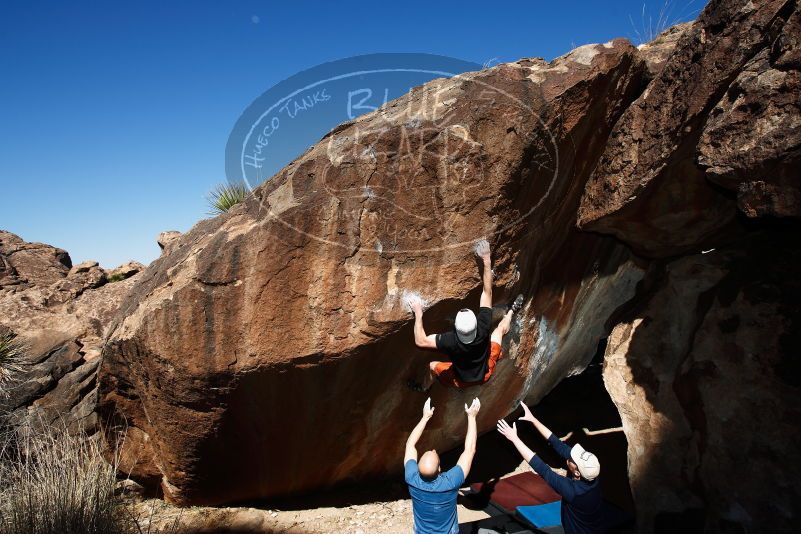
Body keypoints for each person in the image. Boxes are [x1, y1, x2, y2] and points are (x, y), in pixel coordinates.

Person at [409, 239, 522, 390]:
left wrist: (418, 313)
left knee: (431, 366)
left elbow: (421, 341)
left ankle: (423, 388)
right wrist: (487, 261)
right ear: (475, 323)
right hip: (485, 372)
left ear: (456, 327)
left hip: (460, 380)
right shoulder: (482, 326)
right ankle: (511, 312)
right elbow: (487, 293)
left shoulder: (451, 341)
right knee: (499, 331)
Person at [497, 403, 603, 534]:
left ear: (577, 472)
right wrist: (533, 419)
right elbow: (558, 445)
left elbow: (542, 469)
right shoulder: (592, 476)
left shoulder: (573, 492)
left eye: (573, 459)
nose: (569, 455)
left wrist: (514, 439)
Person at [404, 396, 481, 534]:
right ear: (440, 469)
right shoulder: (450, 482)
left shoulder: (411, 478)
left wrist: (425, 417)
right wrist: (472, 417)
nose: (434, 449)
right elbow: (469, 450)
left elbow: (410, 444)